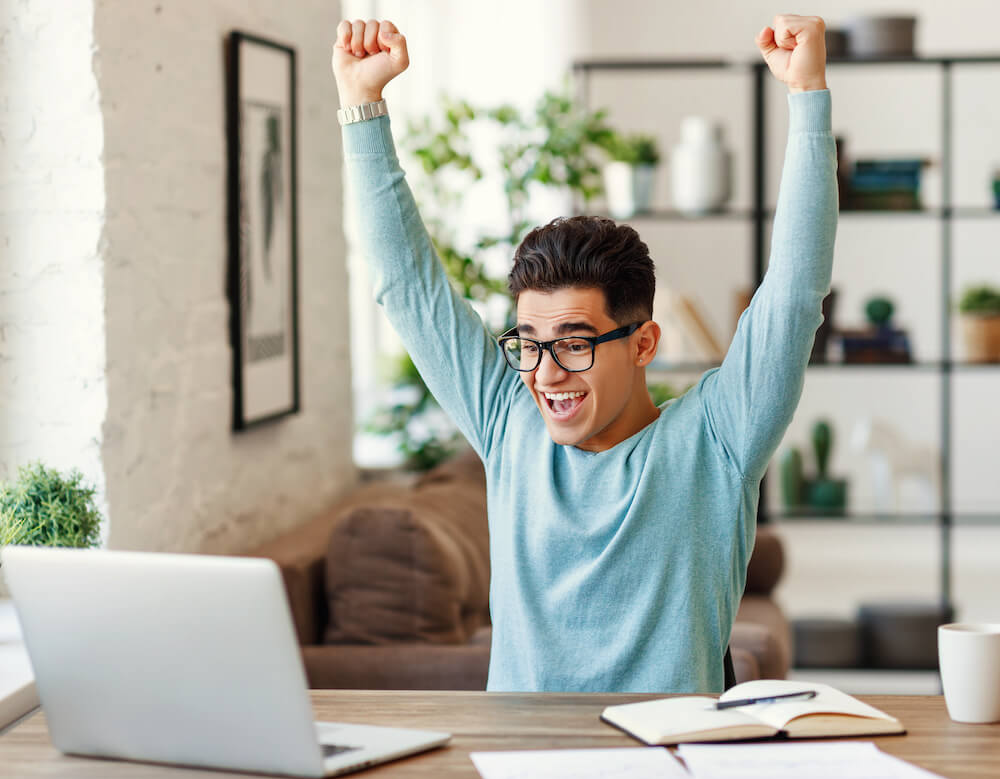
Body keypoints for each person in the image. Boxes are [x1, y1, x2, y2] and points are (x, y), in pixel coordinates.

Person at [332, 15, 836, 692]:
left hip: (667, 760)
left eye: (573, 344)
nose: (545, 374)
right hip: (519, 760)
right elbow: (407, 290)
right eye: (530, 345)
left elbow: (795, 295)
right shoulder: (509, 425)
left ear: (642, 344)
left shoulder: (716, 439)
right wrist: (363, 108)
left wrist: (808, 99)